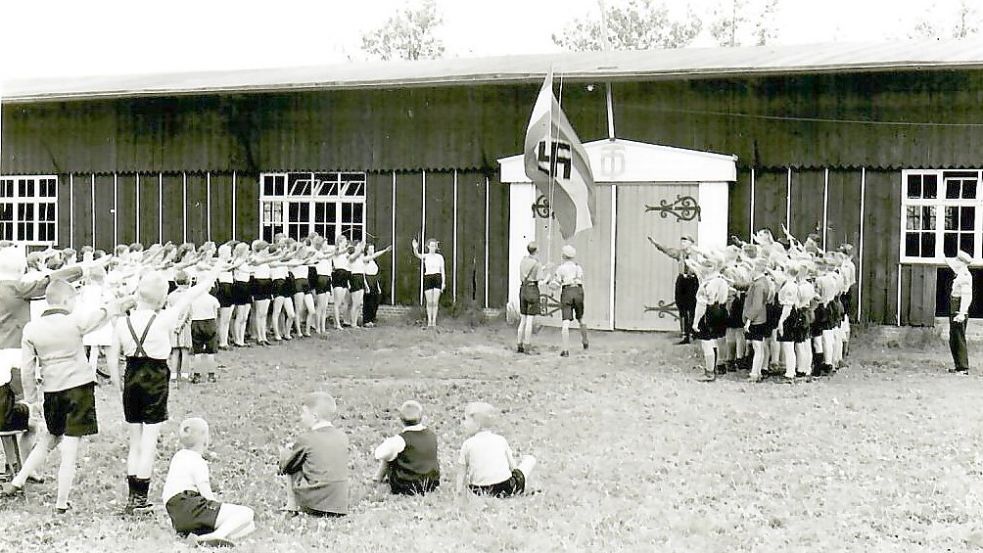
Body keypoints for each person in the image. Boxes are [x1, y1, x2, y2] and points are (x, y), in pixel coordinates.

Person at [0, 279, 131, 512]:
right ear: (67, 301)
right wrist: (120, 302)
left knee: (50, 437)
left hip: (52, 391)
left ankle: (18, 480)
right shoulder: (75, 321)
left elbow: (27, 368)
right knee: (69, 450)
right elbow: (102, 314)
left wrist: (32, 399)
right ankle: (61, 502)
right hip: (78, 388)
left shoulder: (32, 329)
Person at [107, 269, 218, 515]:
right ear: (161, 298)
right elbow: (189, 296)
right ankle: (141, 500)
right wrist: (211, 276)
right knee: (149, 442)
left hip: (131, 377)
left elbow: (112, 358)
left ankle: (132, 497)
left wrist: (117, 387)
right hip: (155, 377)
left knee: (134, 442)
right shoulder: (164, 319)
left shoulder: (123, 323)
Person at [162, 418, 256, 547]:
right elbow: (205, 491)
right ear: (205, 440)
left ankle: (203, 538)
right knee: (246, 513)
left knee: (249, 526)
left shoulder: (178, 457)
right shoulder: (197, 460)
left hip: (177, 516)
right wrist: (215, 507)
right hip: (190, 504)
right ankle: (216, 536)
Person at [278, 391, 349, 517]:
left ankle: (291, 506)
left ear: (315, 417)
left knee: (291, 460)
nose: (301, 417)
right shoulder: (342, 436)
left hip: (315, 504)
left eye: (304, 413)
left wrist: (286, 453)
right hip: (340, 505)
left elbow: (287, 467)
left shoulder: (306, 438)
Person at [457, 402, 535, 498]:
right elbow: (513, 468)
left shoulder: (467, 444)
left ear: (477, 424)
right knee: (529, 461)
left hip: (479, 490)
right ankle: (528, 458)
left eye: (465, 419)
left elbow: (461, 474)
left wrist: (459, 494)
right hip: (505, 488)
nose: (462, 422)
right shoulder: (500, 440)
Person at [373, 400, 440, 496]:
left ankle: (376, 480)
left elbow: (379, 454)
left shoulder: (400, 440)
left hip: (406, 486)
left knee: (389, 457)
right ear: (421, 417)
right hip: (431, 484)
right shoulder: (432, 435)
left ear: (401, 419)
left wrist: (389, 441)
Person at [650, 235, 699, 344]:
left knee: (692, 307)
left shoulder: (697, 255)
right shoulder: (679, 254)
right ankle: (684, 333)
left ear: (691, 243)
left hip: (693, 281)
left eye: (685, 242)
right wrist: (656, 244)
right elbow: (667, 250)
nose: (682, 244)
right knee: (681, 305)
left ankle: (692, 331)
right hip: (682, 280)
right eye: (682, 242)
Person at [690, 256, 729, 382]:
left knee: (706, 343)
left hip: (709, 312)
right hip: (721, 310)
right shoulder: (722, 280)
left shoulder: (707, 284)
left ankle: (709, 372)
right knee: (715, 340)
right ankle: (716, 366)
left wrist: (696, 322)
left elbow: (701, 304)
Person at [550, 245, 589, 357]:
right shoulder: (578, 267)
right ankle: (585, 341)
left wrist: (549, 283)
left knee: (566, 322)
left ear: (563, 255)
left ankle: (566, 349)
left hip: (567, 292)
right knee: (581, 318)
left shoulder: (561, 268)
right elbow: (581, 279)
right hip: (578, 291)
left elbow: (556, 284)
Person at [743, 257, 772, 383]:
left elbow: (756, 305)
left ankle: (755, 372)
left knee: (757, 347)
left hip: (756, 319)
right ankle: (758, 371)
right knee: (759, 347)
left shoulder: (759, 285)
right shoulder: (763, 281)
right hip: (761, 317)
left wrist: (749, 320)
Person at [947, 250, 973, 374]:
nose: (955, 264)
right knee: (953, 339)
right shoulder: (960, 274)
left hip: (959, 308)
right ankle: (958, 366)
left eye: (957, 261)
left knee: (959, 338)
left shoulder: (965, 277)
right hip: (955, 308)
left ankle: (963, 368)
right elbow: (950, 263)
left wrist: (962, 313)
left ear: (962, 263)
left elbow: (967, 296)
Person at [411, 238, 446, 329]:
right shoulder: (426, 256)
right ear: (428, 247)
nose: (433, 248)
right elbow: (417, 255)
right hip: (428, 278)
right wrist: (415, 248)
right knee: (429, 302)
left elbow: (442, 270)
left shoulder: (439, 257)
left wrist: (443, 283)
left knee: (435, 302)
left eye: (434, 246)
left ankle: (434, 321)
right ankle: (429, 321)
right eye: (431, 246)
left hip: (437, 277)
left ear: (436, 247)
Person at [516, 241, 543, 354]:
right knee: (530, 320)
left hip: (523, 289)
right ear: (536, 251)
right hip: (532, 290)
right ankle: (527, 345)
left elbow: (527, 274)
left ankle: (519, 344)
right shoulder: (537, 264)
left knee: (523, 319)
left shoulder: (523, 261)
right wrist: (547, 277)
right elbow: (539, 279)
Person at [166, 272, 193, 382]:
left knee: (175, 351)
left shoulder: (171, 296)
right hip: (184, 325)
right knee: (185, 351)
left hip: (173, 324)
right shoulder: (188, 295)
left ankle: (173, 374)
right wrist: (180, 324)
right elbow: (187, 312)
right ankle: (184, 374)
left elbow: (168, 310)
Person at [361, 243, 392, 328]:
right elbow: (364, 273)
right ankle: (366, 320)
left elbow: (376, 274)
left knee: (375, 300)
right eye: (370, 249)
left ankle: (372, 319)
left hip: (374, 280)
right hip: (368, 279)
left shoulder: (373, 261)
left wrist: (377, 285)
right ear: (367, 250)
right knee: (368, 301)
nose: (372, 250)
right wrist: (366, 285)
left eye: (373, 248)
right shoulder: (365, 259)